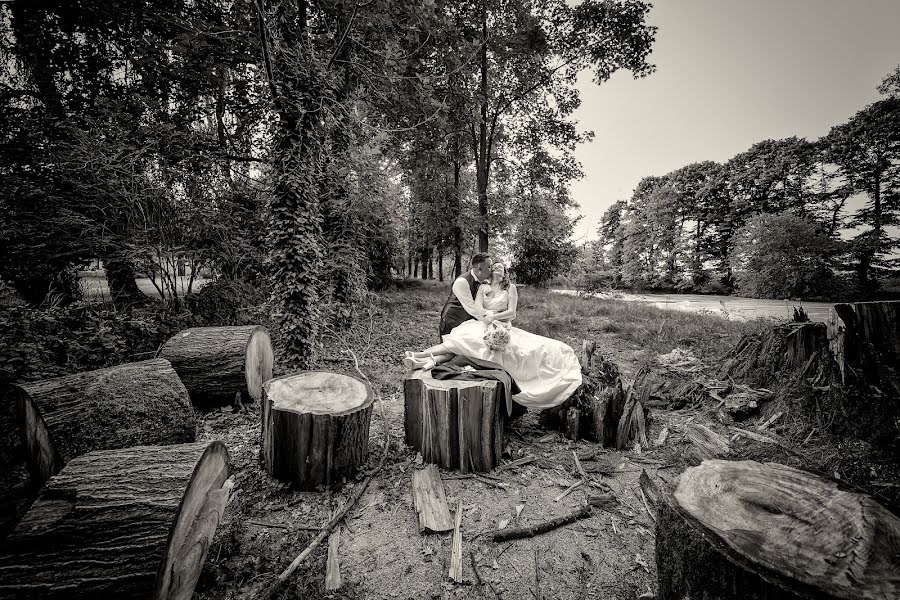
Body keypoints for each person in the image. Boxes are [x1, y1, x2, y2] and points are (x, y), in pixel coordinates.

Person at [404, 262, 582, 409]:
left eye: (500, 267)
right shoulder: (483, 287)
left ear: (505, 273)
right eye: (494, 266)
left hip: (502, 325)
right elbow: (478, 307)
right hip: (483, 324)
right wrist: (486, 317)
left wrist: (495, 317)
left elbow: (512, 312)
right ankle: (419, 355)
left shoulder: (510, 288)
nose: (496, 268)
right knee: (459, 341)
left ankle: (421, 358)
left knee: (522, 351)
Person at [438, 252, 493, 337]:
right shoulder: (462, 282)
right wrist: (492, 320)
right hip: (452, 322)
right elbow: (472, 308)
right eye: (489, 267)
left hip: (467, 323)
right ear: (479, 269)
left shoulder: (485, 282)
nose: (492, 270)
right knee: (449, 348)